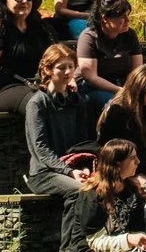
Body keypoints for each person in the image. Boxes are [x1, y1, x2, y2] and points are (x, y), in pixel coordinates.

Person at [22, 43, 98, 196]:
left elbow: (83, 142)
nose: (68, 72)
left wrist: (84, 166)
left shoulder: (78, 101)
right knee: (82, 192)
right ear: (47, 70)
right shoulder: (37, 103)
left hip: (71, 168)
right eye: (61, 67)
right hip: (44, 174)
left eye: (71, 66)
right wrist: (69, 171)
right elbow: (41, 149)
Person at [95, 63, 146, 180]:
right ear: (137, 92)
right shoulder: (118, 111)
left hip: (145, 166)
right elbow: (122, 152)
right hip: (124, 170)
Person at [75, 0, 146, 111]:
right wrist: (121, 91)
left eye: (128, 15)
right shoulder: (89, 37)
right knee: (116, 106)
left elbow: (137, 70)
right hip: (93, 88)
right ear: (105, 18)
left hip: (123, 85)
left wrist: (131, 90)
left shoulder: (130, 35)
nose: (127, 20)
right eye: (122, 16)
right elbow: (91, 77)